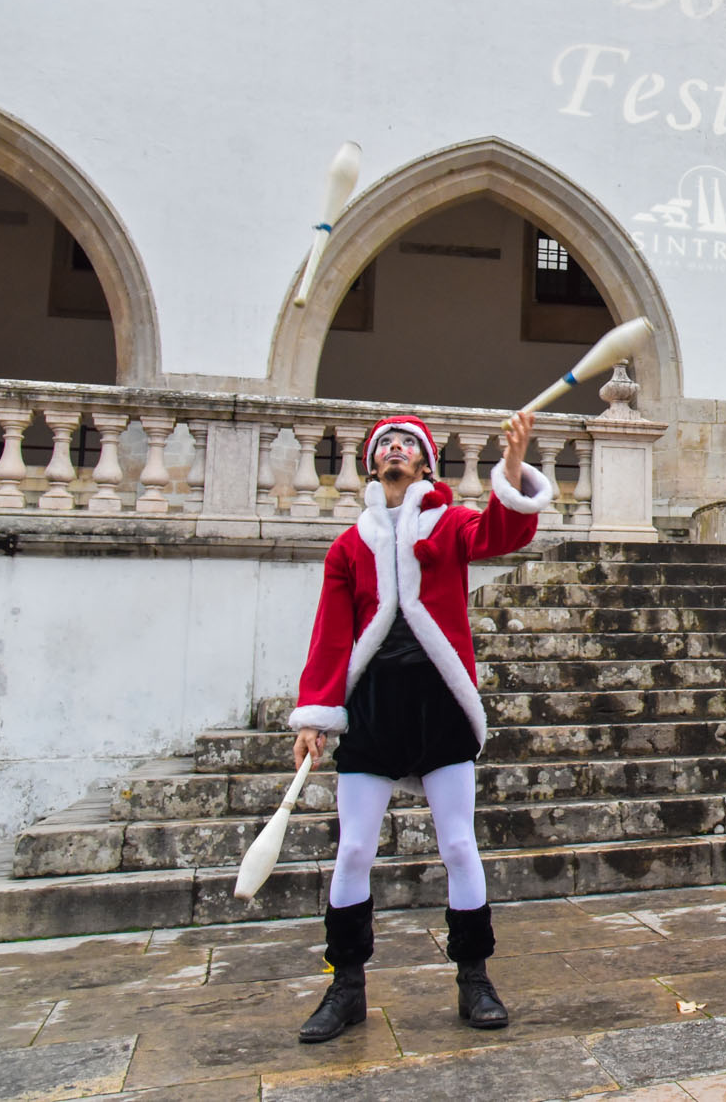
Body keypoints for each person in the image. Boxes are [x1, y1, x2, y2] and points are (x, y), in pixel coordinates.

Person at [288, 411, 554, 1043]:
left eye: (406, 445)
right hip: (374, 705)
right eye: (384, 446)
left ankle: (475, 979)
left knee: (459, 844)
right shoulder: (350, 545)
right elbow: (330, 637)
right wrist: (316, 713)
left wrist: (512, 469)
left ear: (426, 464)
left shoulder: (450, 522)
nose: (395, 452)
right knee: (353, 849)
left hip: (439, 703)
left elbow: (503, 532)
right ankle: (346, 986)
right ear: (373, 466)